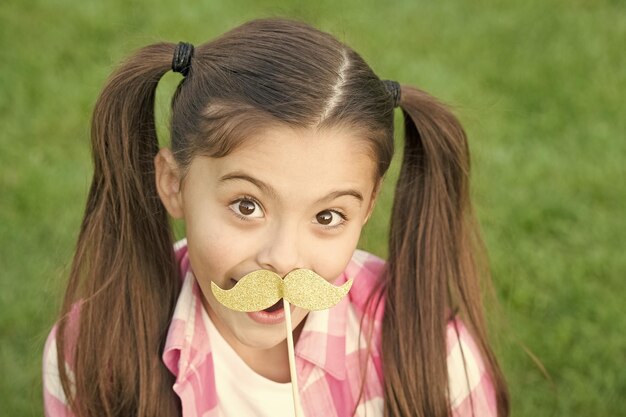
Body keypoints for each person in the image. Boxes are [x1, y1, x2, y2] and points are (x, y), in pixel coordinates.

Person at [43, 17, 509, 417]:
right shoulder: (91, 352)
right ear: (173, 183)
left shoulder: (436, 357)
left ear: (366, 208)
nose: (284, 260)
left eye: (328, 215)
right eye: (247, 206)